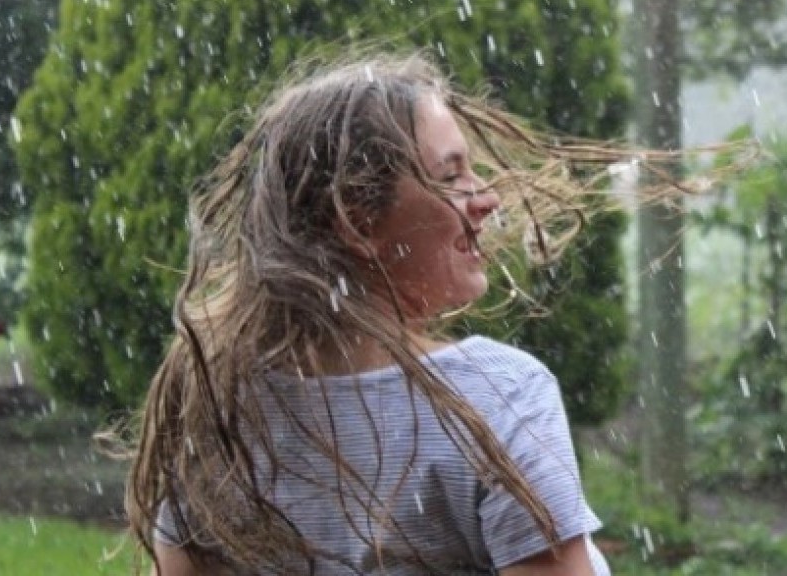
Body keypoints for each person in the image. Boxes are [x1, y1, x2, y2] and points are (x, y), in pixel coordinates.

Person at [118, 51, 654, 575]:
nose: (486, 198)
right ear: (358, 218)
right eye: (450, 176)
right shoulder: (499, 397)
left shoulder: (220, 407)